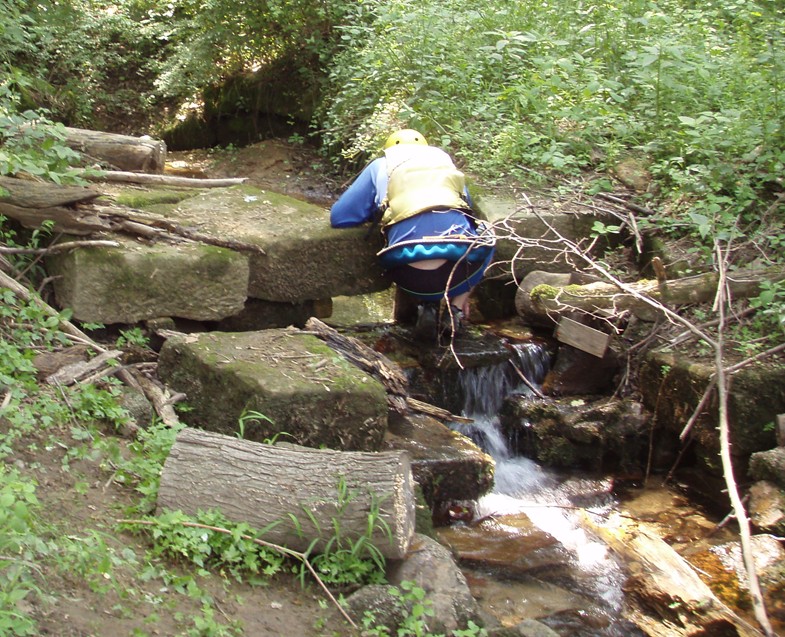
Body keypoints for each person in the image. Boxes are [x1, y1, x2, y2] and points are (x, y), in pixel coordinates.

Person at [330, 128, 495, 340]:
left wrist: (376, 212)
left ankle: (428, 306)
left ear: (389, 151)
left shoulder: (381, 166)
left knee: (413, 238)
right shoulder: (444, 164)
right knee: (485, 233)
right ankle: (456, 310)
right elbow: (468, 213)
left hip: (409, 276)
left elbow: (340, 217)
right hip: (459, 275)